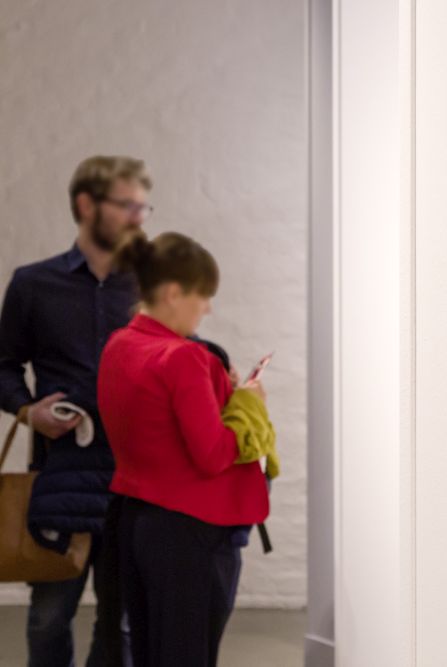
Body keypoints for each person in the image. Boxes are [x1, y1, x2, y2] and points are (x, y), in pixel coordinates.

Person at [0, 155, 151, 666]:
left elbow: (180, 356)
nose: (139, 217)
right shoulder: (32, 283)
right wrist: (27, 411)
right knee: (47, 615)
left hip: (134, 476)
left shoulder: (151, 286)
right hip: (59, 474)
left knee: (122, 619)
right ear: (87, 205)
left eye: (142, 206)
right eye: (127, 205)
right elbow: (2, 366)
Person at [97, 231, 271, 666]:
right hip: (187, 529)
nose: (208, 307)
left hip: (134, 519)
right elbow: (212, 455)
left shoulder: (119, 345)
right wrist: (248, 404)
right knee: (187, 654)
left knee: (151, 649)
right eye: (203, 296)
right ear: (174, 293)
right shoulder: (184, 358)